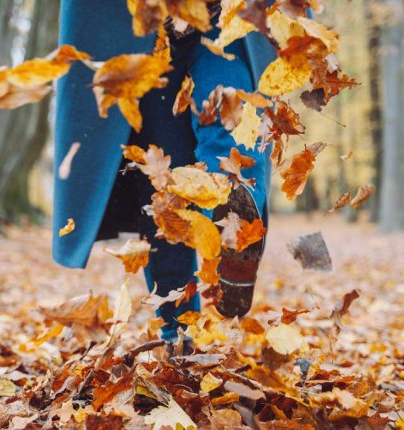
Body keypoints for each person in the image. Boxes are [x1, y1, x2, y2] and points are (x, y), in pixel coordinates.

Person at [52, 0, 285, 346]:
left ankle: (235, 223)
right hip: (147, 27)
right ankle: (180, 328)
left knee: (217, 125)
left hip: (221, 16)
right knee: (166, 183)